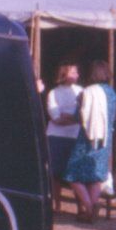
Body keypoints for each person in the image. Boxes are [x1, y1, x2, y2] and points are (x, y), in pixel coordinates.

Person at [65, 60, 115, 223]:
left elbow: (80, 117)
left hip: (87, 138)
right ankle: (91, 211)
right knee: (95, 176)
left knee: (72, 173)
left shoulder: (87, 92)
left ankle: (89, 206)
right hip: (105, 138)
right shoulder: (112, 93)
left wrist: (78, 104)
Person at [44, 63, 81, 208]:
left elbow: (83, 116)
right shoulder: (53, 93)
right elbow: (55, 118)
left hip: (75, 135)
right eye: (73, 72)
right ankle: (56, 204)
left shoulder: (81, 91)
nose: (76, 75)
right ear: (64, 75)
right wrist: (73, 118)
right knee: (55, 173)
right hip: (56, 136)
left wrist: (67, 116)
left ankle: (80, 207)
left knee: (76, 173)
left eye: (76, 72)